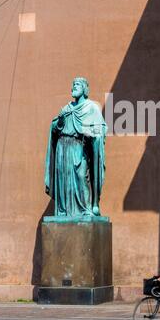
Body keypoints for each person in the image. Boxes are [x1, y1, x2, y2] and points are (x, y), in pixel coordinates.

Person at [45, 77, 107, 218]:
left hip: (80, 148)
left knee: (80, 176)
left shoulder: (91, 108)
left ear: (85, 89)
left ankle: (86, 209)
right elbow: (54, 128)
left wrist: (92, 134)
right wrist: (59, 122)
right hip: (63, 147)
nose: (74, 87)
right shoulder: (66, 109)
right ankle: (64, 211)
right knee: (64, 180)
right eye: (73, 85)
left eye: (77, 84)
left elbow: (100, 129)